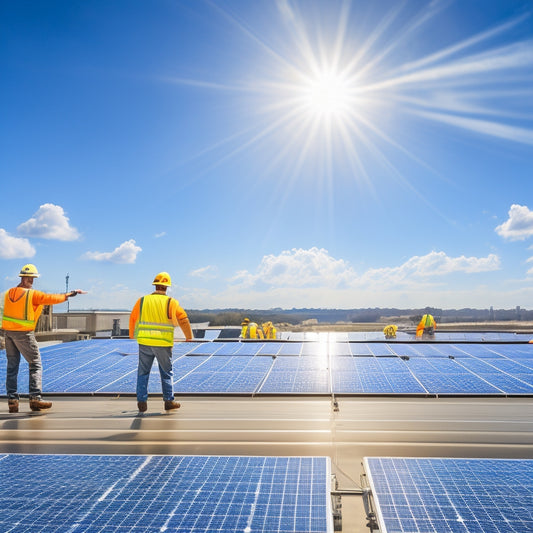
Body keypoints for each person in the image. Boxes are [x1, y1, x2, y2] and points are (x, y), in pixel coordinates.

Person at [1, 264, 85, 413]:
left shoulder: (8, 293)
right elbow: (51, 298)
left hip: (8, 333)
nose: (32, 281)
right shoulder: (31, 294)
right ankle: (35, 398)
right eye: (30, 278)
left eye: (33, 279)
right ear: (23, 278)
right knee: (35, 364)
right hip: (23, 334)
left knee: (12, 366)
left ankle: (12, 400)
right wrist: (70, 294)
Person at [129, 271, 193, 413]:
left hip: (144, 342)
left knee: (143, 372)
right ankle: (168, 401)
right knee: (166, 372)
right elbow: (183, 319)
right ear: (166, 287)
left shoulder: (142, 301)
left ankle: (141, 401)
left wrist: (131, 335)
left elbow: (133, 318)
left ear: (156, 285)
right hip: (163, 344)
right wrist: (189, 336)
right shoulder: (171, 302)